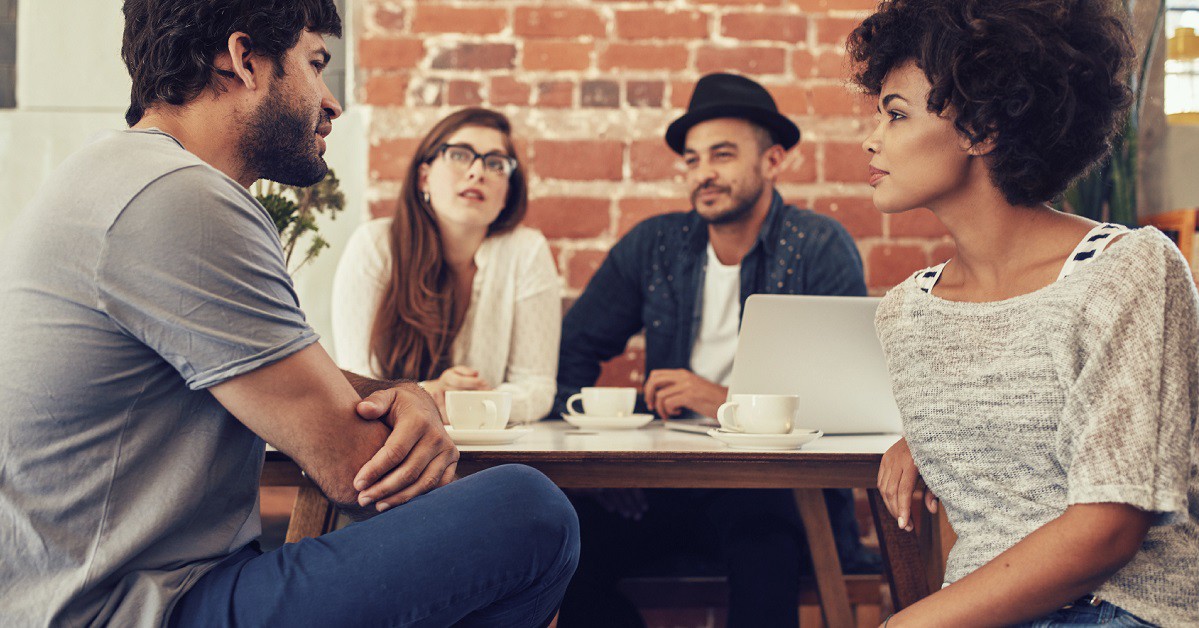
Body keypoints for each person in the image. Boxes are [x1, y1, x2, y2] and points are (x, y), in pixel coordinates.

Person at [0, 2, 578, 626]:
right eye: (315, 63)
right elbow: (358, 468)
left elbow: (275, 381)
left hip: (122, 591)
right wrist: (406, 411)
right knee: (529, 513)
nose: (332, 104)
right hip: (134, 609)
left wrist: (398, 392)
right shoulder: (181, 198)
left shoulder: (118, 176)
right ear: (245, 59)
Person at [851, 0, 1198, 625]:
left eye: (896, 114)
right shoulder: (907, 313)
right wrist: (925, 438)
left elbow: (1111, 525)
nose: (871, 138)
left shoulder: (1127, 271)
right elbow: (990, 497)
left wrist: (910, 622)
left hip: (1123, 610)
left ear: (982, 129)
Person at [556, 73, 875, 628]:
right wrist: (606, 469)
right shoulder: (653, 246)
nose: (703, 173)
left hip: (772, 492)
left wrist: (722, 400)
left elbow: (848, 410)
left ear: (773, 161)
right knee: (559, 546)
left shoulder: (819, 247)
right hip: (663, 483)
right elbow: (571, 353)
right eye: (692, 159)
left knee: (763, 537)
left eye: (722, 155)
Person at [332, 107, 559, 424]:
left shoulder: (527, 251)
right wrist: (429, 395)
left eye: (495, 164)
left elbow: (537, 387)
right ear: (424, 176)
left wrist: (475, 404)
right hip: (388, 444)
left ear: (507, 193)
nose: (477, 172)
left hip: (494, 447)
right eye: (460, 154)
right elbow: (354, 383)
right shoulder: (375, 245)